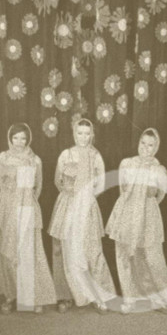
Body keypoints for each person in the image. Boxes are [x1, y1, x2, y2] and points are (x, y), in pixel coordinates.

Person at [105, 128, 167, 314]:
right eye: (143, 144)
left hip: (148, 215)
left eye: (150, 145)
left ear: (156, 147)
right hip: (127, 213)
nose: (146, 148)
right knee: (125, 256)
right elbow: (122, 189)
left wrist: (148, 198)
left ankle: (162, 298)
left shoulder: (159, 169)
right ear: (138, 143)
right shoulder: (127, 163)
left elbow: (161, 195)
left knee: (153, 258)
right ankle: (130, 299)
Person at [48, 118, 116, 313]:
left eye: (87, 133)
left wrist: (86, 196)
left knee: (91, 248)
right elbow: (57, 180)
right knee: (65, 247)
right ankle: (66, 295)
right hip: (67, 204)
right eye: (80, 133)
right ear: (74, 133)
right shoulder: (66, 154)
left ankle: (97, 295)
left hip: (86, 205)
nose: (83, 137)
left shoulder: (96, 156)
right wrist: (70, 193)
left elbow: (102, 183)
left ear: (92, 134)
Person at [0, 123, 57, 314]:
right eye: (15, 138)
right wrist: (11, 206)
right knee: (9, 251)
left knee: (29, 251)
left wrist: (27, 203)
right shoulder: (3, 157)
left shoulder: (35, 160)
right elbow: (2, 183)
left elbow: (38, 187)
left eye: (23, 138)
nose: (19, 142)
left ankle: (33, 297)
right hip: (8, 207)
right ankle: (10, 295)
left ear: (28, 139)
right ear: (10, 138)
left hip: (27, 206)